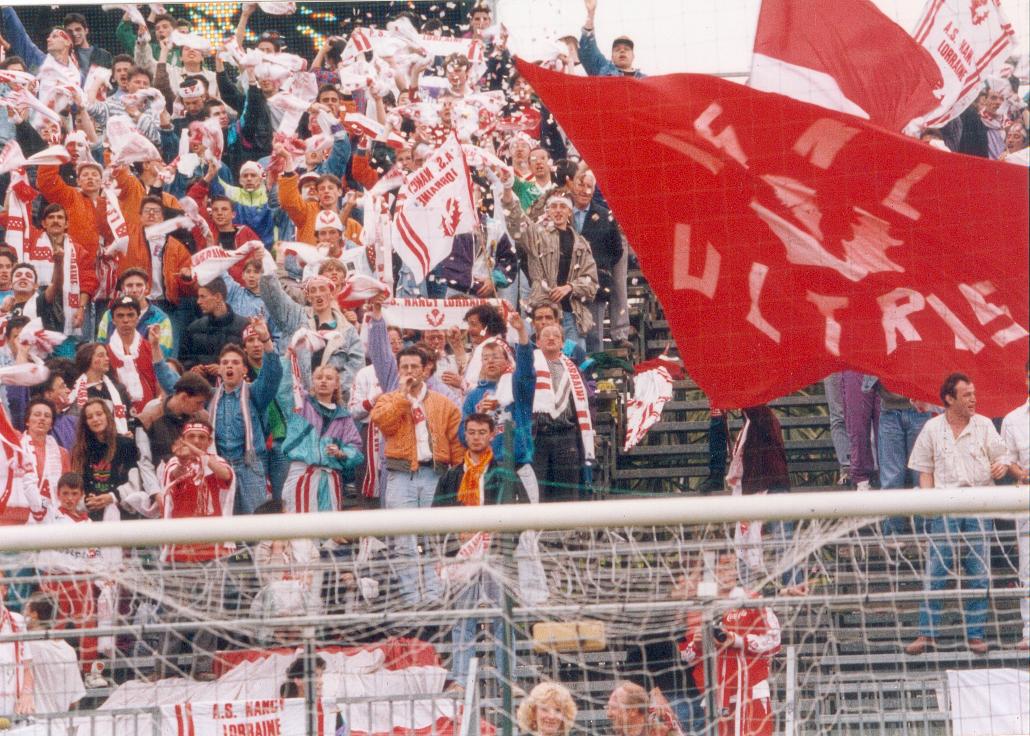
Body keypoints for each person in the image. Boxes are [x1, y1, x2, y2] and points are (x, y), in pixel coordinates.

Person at [904, 372, 1009, 655]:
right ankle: (927, 634)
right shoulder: (931, 428)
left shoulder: (985, 425)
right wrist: (929, 502)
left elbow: (1002, 455)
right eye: (967, 395)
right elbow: (923, 469)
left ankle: (975, 634)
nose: (973, 400)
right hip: (945, 504)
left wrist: (1000, 465)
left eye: (974, 394)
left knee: (978, 571)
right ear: (949, 399)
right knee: (936, 571)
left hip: (978, 503)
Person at [434, 413, 529, 686]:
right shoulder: (452, 476)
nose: (476, 437)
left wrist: (499, 534)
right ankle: (461, 681)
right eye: (471, 432)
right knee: (463, 618)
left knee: (503, 617)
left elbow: (522, 513)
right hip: (463, 558)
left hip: (496, 555)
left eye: (481, 432)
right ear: (465, 434)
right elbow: (436, 516)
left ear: (491, 435)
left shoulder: (504, 473)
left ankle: (507, 681)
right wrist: (455, 540)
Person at [371, 345, 464, 605]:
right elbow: (385, 423)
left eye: (414, 367)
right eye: (404, 367)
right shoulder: (388, 399)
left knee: (434, 539)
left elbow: (456, 442)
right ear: (398, 370)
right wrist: (402, 395)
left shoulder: (444, 403)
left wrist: (456, 477)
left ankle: (434, 596)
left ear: (426, 369)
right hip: (401, 476)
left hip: (435, 475)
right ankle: (412, 598)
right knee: (404, 540)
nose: (410, 371)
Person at [503, 183, 599, 349]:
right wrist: (507, 189)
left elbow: (592, 282)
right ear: (547, 210)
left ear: (570, 211)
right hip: (544, 314)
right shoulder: (536, 234)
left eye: (563, 206)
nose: (558, 211)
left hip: (572, 316)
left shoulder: (581, 243)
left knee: (575, 364)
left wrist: (570, 287)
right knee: (544, 364)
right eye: (553, 206)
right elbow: (517, 220)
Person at [461, 311, 538, 500]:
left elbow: (526, 369)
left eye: (495, 356)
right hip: (487, 469)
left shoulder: (517, 386)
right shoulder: (474, 396)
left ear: (506, 361)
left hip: (519, 466)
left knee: (529, 526)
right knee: (489, 525)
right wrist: (479, 417)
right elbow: (462, 436)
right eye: (485, 358)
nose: (490, 361)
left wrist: (521, 333)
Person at [208, 321, 282, 515]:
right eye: (225, 363)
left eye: (235, 363)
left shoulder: (254, 393)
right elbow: (178, 387)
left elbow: (272, 375)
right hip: (221, 465)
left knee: (256, 524)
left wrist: (266, 339)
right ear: (220, 369)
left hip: (250, 466)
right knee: (225, 526)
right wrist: (156, 351)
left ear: (244, 370)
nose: (229, 366)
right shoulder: (211, 396)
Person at [277, 355, 364, 514]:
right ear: (313, 382)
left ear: (337, 384)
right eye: (319, 378)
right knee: (300, 529)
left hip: (331, 478)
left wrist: (341, 453)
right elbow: (284, 388)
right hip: (302, 473)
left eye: (329, 378)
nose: (323, 381)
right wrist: (288, 358)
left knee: (328, 531)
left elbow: (356, 450)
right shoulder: (301, 405)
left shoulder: (344, 417)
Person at [531, 324, 595, 502]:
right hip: (538, 435)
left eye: (556, 336)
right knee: (537, 492)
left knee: (567, 492)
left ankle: (568, 531)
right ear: (537, 342)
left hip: (565, 434)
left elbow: (587, 402)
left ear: (562, 343)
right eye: (546, 336)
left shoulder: (573, 370)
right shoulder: (530, 366)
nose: (551, 338)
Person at [71, 398, 144, 522]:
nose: (95, 419)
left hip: (123, 514)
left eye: (99, 414)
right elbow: (76, 486)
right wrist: (88, 501)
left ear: (107, 416)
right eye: (89, 417)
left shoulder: (126, 444)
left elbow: (135, 483)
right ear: (85, 422)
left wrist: (112, 497)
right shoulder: (79, 450)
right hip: (92, 516)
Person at [1000, 361, 1029, 650]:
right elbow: (1007, 459)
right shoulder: (1013, 419)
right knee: (1028, 568)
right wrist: (1021, 474)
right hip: (1027, 499)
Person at [23, 593, 87, 714]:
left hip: (31, 724)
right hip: (60, 725)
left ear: (34, 614)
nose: (23, 614)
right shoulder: (68, 650)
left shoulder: (27, 646)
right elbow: (74, 701)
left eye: (26, 609)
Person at [96, 269, 174, 358]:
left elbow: (164, 355)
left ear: (147, 288)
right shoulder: (109, 315)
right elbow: (100, 346)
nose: (134, 290)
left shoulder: (161, 319)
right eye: (129, 285)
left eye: (139, 285)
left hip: (148, 369)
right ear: (122, 288)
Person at [181, 278, 250, 370]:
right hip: (201, 383)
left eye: (203, 296)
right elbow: (183, 360)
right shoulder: (194, 328)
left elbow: (252, 364)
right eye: (198, 297)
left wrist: (224, 369)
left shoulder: (244, 327)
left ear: (217, 297)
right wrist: (193, 369)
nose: (198, 301)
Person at [580, 0, 646, 78]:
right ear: (612, 57)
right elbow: (587, 52)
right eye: (617, 49)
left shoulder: (644, 79)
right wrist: (591, 14)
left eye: (627, 49)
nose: (622, 51)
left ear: (633, 56)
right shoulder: (603, 69)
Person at [0, 580, 34, 718]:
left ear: (4, 590)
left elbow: (27, 668)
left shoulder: (17, 621)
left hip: (12, 709)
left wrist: (27, 693)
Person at [605, 680, 684, 736]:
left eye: (614, 707)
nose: (608, 714)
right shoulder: (616, 730)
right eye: (608, 707)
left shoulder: (662, 728)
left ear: (633, 710)